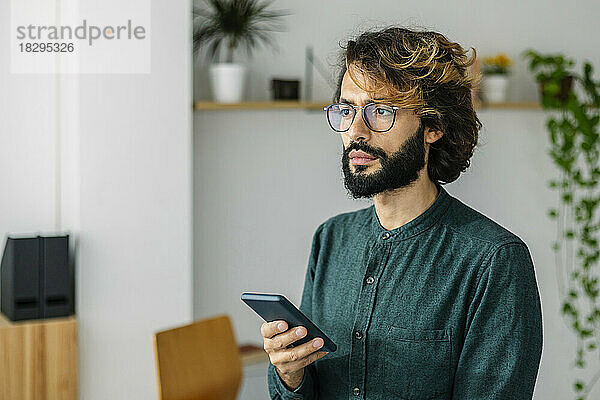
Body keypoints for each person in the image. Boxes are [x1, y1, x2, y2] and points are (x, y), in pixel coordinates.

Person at [261, 27, 543, 399]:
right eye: (346, 110)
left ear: (434, 126)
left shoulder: (493, 260)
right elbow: (312, 386)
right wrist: (290, 374)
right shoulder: (330, 238)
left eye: (381, 111)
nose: (356, 131)